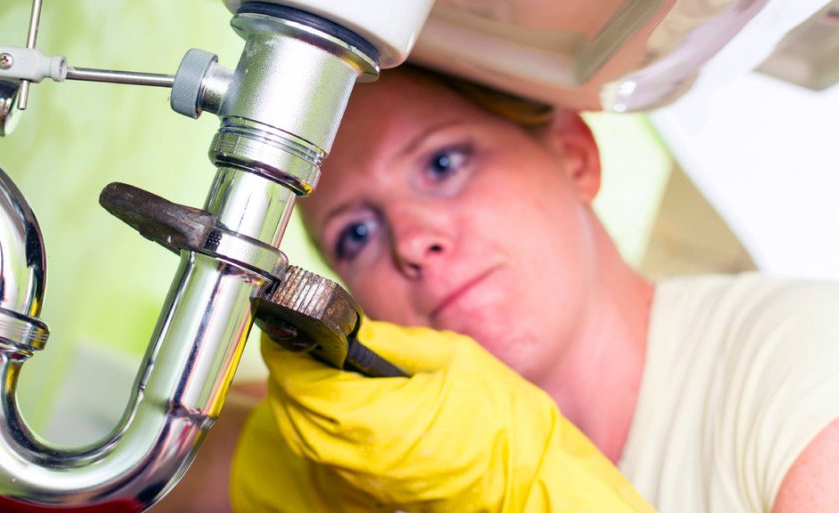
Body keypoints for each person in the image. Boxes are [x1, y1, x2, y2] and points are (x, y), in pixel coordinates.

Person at [154, 65, 839, 513]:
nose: (409, 242)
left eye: (443, 162)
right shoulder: (402, 465)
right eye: (354, 234)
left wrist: (522, 481)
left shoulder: (804, 356)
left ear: (575, 154)